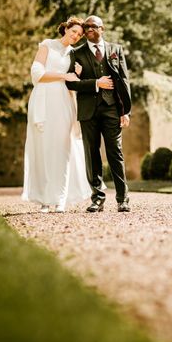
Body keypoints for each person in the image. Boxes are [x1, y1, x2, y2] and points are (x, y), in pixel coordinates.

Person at [21, 17, 92, 212]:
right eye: (74, 31)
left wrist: (79, 74)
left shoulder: (74, 54)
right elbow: (36, 73)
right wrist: (63, 75)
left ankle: (61, 198)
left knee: (62, 149)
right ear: (66, 28)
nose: (76, 36)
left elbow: (76, 82)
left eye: (80, 35)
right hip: (43, 101)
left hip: (64, 102)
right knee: (43, 149)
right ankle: (45, 199)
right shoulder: (46, 45)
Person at [66, 15, 132, 212]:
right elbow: (70, 82)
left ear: (102, 29)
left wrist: (125, 111)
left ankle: (123, 199)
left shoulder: (116, 50)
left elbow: (124, 81)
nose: (88, 30)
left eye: (92, 26)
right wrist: (96, 83)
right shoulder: (76, 53)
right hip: (88, 111)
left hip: (112, 109)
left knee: (115, 153)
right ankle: (97, 198)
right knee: (92, 154)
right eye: (86, 27)